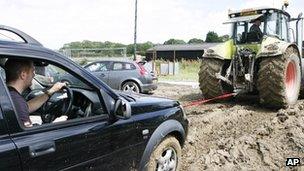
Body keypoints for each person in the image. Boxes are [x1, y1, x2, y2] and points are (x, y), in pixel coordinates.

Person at [5, 59, 66, 127]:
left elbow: (27, 107)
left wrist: (51, 91)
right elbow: (28, 136)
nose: (34, 75)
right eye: (32, 71)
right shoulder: (16, 101)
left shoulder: (8, 95)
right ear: (23, 75)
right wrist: (55, 124)